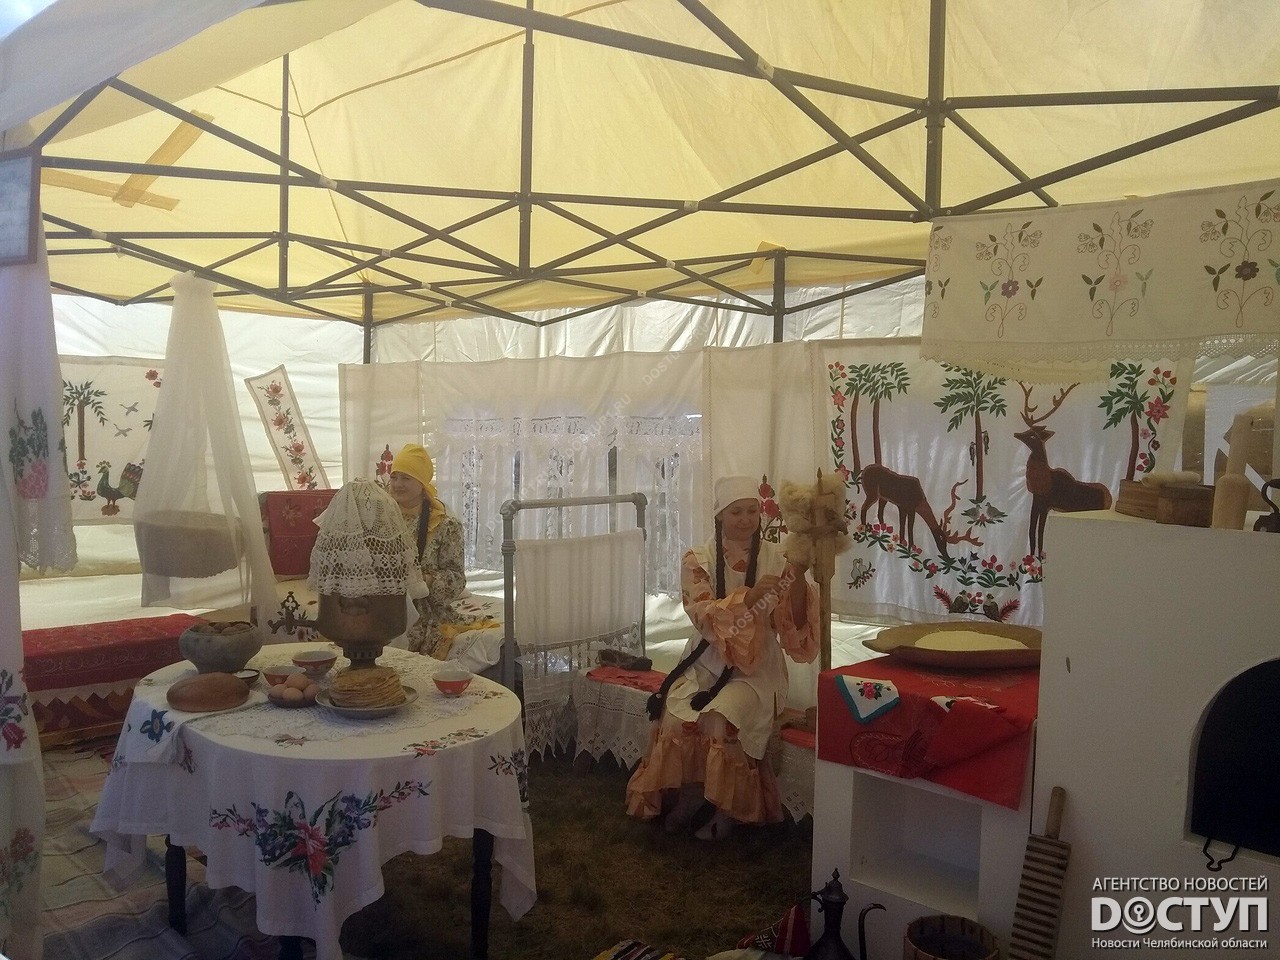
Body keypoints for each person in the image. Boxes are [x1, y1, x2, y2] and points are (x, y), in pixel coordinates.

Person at [625, 475, 819, 840]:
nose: (745, 519)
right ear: (719, 516)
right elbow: (700, 614)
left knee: (721, 716)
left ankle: (727, 810)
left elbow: (791, 623)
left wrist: (798, 577)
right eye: (736, 512)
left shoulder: (778, 558)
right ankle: (690, 795)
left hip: (757, 668)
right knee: (676, 716)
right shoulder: (698, 559)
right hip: (705, 661)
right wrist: (747, 598)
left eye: (751, 511)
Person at [385, 443, 469, 658]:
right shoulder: (381, 520)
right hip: (383, 605)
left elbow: (457, 579)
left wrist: (426, 580)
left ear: (422, 484)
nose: (397, 484)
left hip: (423, 610)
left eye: (406, 478)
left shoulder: (444, 525)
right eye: (394, 477)